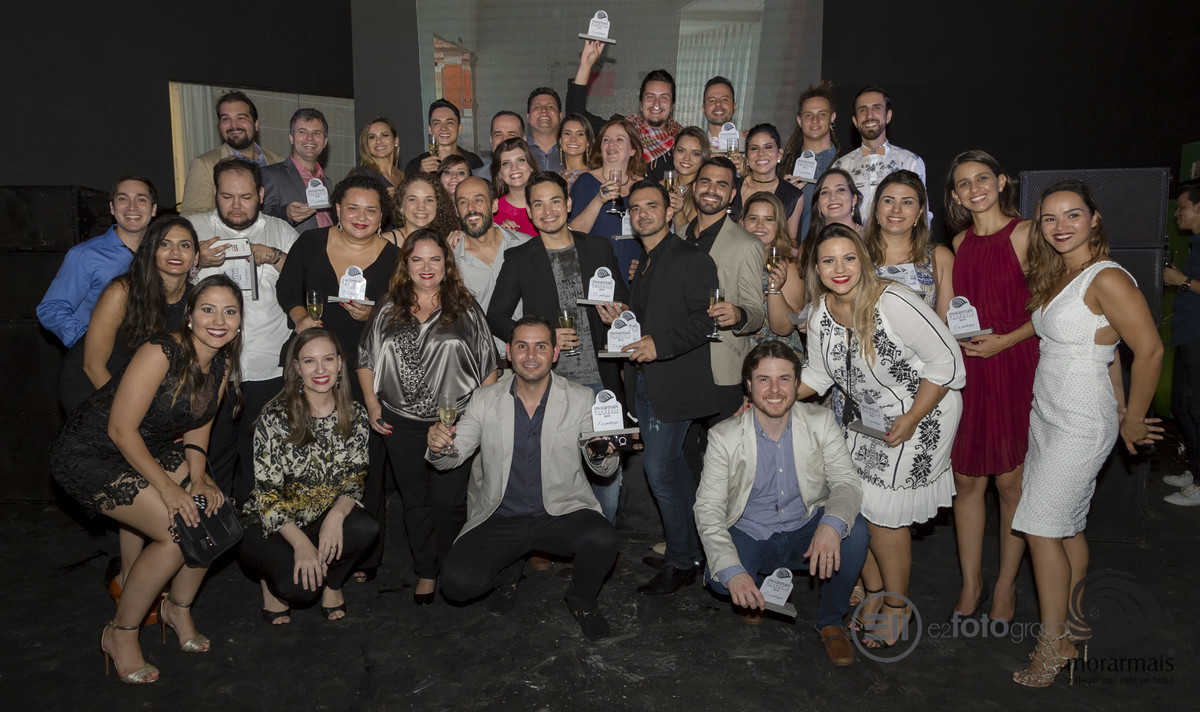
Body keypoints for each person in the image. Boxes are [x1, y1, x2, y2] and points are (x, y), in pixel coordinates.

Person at [50, 274, 243, 683]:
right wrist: (170, 489)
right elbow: (120, 430)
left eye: (229, 311)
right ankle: (120, 634)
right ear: (189, 314)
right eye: (208, 309)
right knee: (176, 533)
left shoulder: (221, 361)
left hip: (147, 445)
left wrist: (198, 477)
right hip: (92, 450)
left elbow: (199, 422)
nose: (218, 320)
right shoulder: (160, 351)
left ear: (240, 321)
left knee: (213, 514)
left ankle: (178, 608)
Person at [1010, 181, 1162, 687]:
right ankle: (1075, 623)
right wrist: (1121, 405)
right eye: (1050, 218)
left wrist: (1132, 417)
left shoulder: (1108, 277)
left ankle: (1052, 646)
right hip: (1049, 413)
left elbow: (1150, 350)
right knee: (1067, 526)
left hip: (1080, 420)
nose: (1061, 226)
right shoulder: (1060, 272)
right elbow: (1109, 351)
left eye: (1072, 214)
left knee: (1040, 528)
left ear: (1094, 218)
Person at [796, 224, 965, 648]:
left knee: (884, 516)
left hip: (923, 412)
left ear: (863, 261)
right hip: (868, 420)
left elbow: (947, 363)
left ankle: (896, 605)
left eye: (848, 258)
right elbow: (817, 374)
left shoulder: (894, 301)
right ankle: (873, 590)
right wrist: (772, 396)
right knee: (853, 502)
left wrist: (912, 417)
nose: (839, 268)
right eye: (828, 260)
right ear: (816, 268)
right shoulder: (819, 313)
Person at [430, 317, 620, 639]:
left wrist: (602, 452)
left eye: (540, 346)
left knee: (604, 539)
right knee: (456, 585)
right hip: (501, 514)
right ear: (508, 352)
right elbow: (453, 455)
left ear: (555, 353)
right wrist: (439, 446)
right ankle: (509, 574)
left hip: (560, 510)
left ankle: (582, 600)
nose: (531, 355)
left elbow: (604, 469)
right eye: (522, 346)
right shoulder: (484, 399)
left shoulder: (581, 398)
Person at [695, 341, 869, 665]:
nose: (774, 389)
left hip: (805, 524)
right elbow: (708, 508)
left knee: (854, 530)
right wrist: (734, 572)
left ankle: (831, 621)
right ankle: (756, 589)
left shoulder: (820, 421)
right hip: (752, 530)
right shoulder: (723, 436)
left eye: (784, 379)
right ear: (749, 385)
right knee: (722, 579)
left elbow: (847, 482)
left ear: (796, 383)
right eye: (764, 379)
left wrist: (830, 525)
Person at [358, 229, 500, 605]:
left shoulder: (465, 307)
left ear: (446, 263)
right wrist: (372, 404)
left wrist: (481, 419)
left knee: (448, 502)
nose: (426, 267)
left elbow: (489, 366)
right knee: (415, 500)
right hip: (399, 422)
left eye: (434, 259)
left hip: (454, 423)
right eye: (417, 259)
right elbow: (365, 358)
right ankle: (426, 570)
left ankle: (451, 564)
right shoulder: (387, 306)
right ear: (405, 264)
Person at [486, 171, 629, 521]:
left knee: (607, 481)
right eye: (538, 204)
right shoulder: (520, 258)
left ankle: (601, 542)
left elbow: (624, 302)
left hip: (600, 383)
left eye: (554, 201)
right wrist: (542, 338)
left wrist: (619, 314)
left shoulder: (598, 248)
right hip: (550, 386)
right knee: (553, 480)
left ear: (567, 204)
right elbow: (496, 317)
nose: (547, 211)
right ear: (530, 213)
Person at [942, 150, 1039, 621]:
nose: (974, 189)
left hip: (1015, 362)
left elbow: (1053, 306)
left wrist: (1006, 340)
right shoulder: (959, 242)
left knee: (1010, 483)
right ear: (956, 195)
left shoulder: (1026, 233)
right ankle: (972, 583)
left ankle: (1005, 586)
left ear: (1001, 181)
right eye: (964, 183)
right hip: (971, 369)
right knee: (966, 480)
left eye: (982, 178)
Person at [239, 328, 378, 624]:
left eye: (328, 359)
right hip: (272, 523)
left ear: (340, 363)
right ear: (296, 367)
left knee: (365, 528)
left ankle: (333, 583)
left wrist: (336, 516)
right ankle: (269, 581)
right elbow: (267, 495)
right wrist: (301, 544)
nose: (320, 369)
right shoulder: (275, 417)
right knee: (300, 591)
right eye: (309, 361)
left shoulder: (355, 414)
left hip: (321, 513)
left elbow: (356, 476)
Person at [621, 180, 720, 595]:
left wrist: (658, 345)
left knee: (661, 472)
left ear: (669, 211)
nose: (643, 214)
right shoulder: (646, 261)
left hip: (675, 383)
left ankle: (682, 561)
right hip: (647, 381)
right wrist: (623, 316)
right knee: (674, 469)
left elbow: (706, 321)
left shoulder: (691, 258)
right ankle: (691, 549)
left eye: (651, 206)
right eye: (635, 208)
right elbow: (657, 315)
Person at [189, 158, 299, 505]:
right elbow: (159, 286)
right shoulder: (191, 230)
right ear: (215, 193)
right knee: (211, 463)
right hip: (210, 370)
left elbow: (307, 281)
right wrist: (195, 261)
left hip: (270, 370)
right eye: (227, 196)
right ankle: (214, 530)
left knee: (265, 464)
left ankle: (261, 532)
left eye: (246, 197)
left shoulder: (282, 231)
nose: (236, 205)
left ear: (261, 194)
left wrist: (275, 256)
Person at [59, 216, 197, 415]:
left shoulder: (195, 300)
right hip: (93, 384)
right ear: (151, 252)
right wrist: (130, 411)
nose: (175, 252)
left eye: (184, 245)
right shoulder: (122, 291)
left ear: (196, 257)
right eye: (165, 244)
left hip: (141, 390)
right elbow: (92, 365)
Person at [275, 172, 400, 393]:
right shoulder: (311, 241)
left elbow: (403, 311)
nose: (361, 217)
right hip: (311, 358)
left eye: (371, 210)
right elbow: (287, 287)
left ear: (381, 215)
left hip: (365, 364)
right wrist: (300, 317)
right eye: (353, 208)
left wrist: (373, 316)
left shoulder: (396, 258)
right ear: (339, 209)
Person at [684, 157, 766, 442]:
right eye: (705, 182)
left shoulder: (748, 244)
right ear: (694, 187)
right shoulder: (678, 237)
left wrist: (738, 314)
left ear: (732, 195)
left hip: (721, 370)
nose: (711, 189)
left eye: (721, 184)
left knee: (726, 453)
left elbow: (756, 312)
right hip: (680, 366)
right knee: (683, 454)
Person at [39, 176, 158, 351]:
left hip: (148, 357)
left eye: (141, 199)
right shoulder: (84, 255)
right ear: (112, 207)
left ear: (153, 209)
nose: (132, 207)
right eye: (123, 199)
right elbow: (50, 309)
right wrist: (92, 343)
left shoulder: (162, 253)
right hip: (100, 359)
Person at [568, 40, 681, 179]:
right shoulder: (619, 130)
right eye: (650, 96)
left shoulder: (681, 142)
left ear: (672, 106)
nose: (656, 103)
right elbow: (576, 115)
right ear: (641, 104)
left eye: (664, 97)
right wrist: (586, 65)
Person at [452, 176, 531, 356]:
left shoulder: (526, 246)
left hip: (527, 359)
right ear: (456, 210)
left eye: (478, 200)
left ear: (494, 205)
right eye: (463, 202)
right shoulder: (449, 260)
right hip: (477, 363)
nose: (471, 208)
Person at [865, 170, 954, 319]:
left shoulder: (940, 258)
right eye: (888, 201)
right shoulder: (855, 254)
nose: (896, 209)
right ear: (876, 207)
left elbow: (945, 326)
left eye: (907, 202)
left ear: (919, 211)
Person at [830, 86, 927, 221]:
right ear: (855, 121)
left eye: (876, 108)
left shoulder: (910, 162)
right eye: (863, 110)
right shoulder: (841, 166)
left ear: (888, 116)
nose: (869, 115)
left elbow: (923, 215)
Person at [568, 118, 647, 284]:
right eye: (606, 140)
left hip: (635, 273)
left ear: (633, 149)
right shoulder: (585, 182)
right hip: (598, 275)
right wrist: (598, 200)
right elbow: (573, 234)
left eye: (619, 139)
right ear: (600, 148)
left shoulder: (644, 186)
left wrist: (647, 263)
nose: (612, 144)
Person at [180, 91, 283, 216]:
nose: (233, 125)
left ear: (256, 124)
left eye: (241, 118)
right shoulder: (204, 165)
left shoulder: (278, 161)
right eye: (226, 119)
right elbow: (191, 216)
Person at [1162, 181, 1200, 505]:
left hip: (1197, 336)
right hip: (1187, 335)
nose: (1177, 214)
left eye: (1182, 207)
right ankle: (1195, 469)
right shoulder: (1194, 244)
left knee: (1195, 408)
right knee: (1182, 406)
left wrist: (1182, 281)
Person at [740, 192, 805, 354]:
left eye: (768, 219)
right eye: (753, 218)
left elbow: (784, 327)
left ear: (779, 225)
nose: (760, 225)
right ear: (742, 223)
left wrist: (774, 289)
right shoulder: (730, 261)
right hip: (735, 353)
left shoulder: (788, 266)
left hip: (777, 354)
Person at [781, 81, 840, 240]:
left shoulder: (847, 162)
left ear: (832, 118)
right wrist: (784, 196)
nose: (815, 120)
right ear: (799, 120)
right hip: (797, 251)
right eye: (808, 115)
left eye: (822, 114)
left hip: (837, 248)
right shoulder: (785, 166)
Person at [262, 108, 334, 233]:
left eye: (317, 133)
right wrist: (285, 214)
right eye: (302, 132)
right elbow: (259, 221)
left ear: (325, 141)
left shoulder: (326, 181)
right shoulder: (270, 175)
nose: (310, 138)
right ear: (291, 138)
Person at [730, 124, 802, 242]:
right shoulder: (732, 187)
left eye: (768, 147)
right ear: (746, 157)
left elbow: (791, 240)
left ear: (780, 154)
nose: (761, 153)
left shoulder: (793, 196)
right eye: (754, 148)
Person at [800, 168, 864, 274]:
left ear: (854, 199)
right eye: (825, 192)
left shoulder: (871, 239)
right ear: (818, 205)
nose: (832, 197)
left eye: (840, 190)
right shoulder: (807, 246)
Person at [404, 99, 483, 176]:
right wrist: (421, 176)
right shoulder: (416, 166)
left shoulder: (474, 162)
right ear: (430, 129)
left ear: (460, 128)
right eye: (437, 123)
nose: (443, 128)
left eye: (449, 122)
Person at [385, 172, 459, 246]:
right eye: (412, 199)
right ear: (400, 206)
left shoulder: (447, 242)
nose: (421, 207)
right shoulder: (384, 243)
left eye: (429, 200)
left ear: (438, 205)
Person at [667, 126, 712, 235]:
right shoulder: (659, 187)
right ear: (674, 151)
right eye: (681, 151)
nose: (686, 158)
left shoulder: (704, 192)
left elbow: (688, 238)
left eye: (695, 153)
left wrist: (679, 212)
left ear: (704, 157)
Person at [490, 137, 538, 236]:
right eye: (506, 163)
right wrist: (499, 235)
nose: (514, 168)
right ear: (499, 173)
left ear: (531, 166)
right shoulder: (492, 213)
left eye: (521, 160)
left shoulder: (548, 204)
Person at [700, 76, 745, 175]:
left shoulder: (749, 144)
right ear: (703, 109)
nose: (718, 104)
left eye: (724, 99)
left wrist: (746, 173)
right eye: (712, 100)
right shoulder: (696, 146)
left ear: (734, 106)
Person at [355, 117, 404, 194]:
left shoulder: (403, 177)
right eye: (372, 137)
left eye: (384, 135)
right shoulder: (363, 176)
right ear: (367, 144)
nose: (378, 141)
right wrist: (381, 198)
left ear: (396, 141)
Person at [471, 110, 525, 179]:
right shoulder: (474, 179)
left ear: (524, 140)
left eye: (511, 134)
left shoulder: (535, 179)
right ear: (491, 139)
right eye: (498, 135)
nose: (504, 140)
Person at [526, 87, 565, 172]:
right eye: (537, 107)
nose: (544, 110)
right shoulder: (518, 149)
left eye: (550, 107)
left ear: (560, 117)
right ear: (528, 117)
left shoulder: (572, 148)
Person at [558, 113, 594, 190]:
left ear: (588, 142)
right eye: (567, 133)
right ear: (560, 141)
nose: (573, 139)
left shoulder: (595, 177)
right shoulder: (555, 177)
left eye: (580, 134)